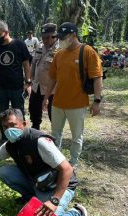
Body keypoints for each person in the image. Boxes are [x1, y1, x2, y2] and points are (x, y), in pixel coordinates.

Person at [42, 22, 103, 166]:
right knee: (55, 134)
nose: (60, 40)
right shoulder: (59, 55)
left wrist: (97, 101)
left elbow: (97, 77)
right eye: (60, 37)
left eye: (64, 37)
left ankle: (73, 163)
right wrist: (46, 98)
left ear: (73, 35)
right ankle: (56, 162)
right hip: (57, 103)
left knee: (76, 137)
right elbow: (52, 78)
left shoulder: (87, 51)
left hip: (77, 104)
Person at [0, 19, 32, 142]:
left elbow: (26, 64)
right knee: (2, 114)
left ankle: (20, 138)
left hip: (17, 87)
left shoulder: (19, 45)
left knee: (18, 113)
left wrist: (28, 82)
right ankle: (5, 139)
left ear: (6, 32)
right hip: (1, 88)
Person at [29, 23, 59, 130]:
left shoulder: (60, 50)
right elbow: (33, 63)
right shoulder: (40, 46)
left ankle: (55, 132)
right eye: (43, 37)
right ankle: (35, 127)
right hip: (37, 85)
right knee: (33, 108)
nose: (45, 40)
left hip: (52, 89)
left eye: (47, 37)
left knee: (53, 113)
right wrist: (30, 79)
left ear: (54, 36)